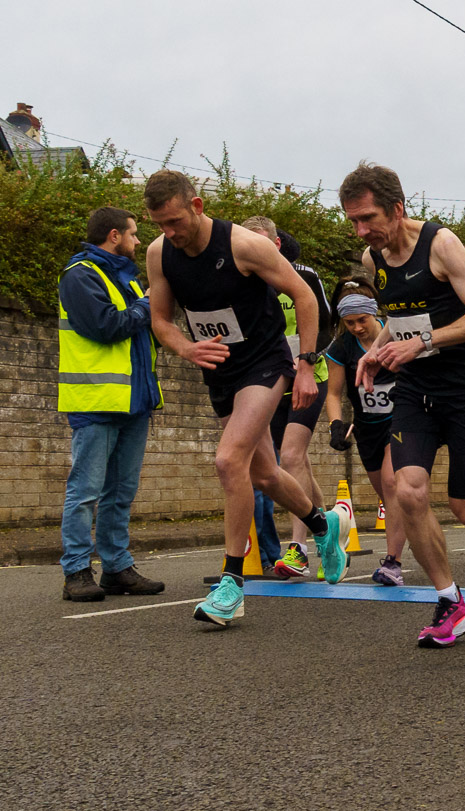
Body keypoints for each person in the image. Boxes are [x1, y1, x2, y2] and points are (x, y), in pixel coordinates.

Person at [340, 162, 465, 648]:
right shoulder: (374, 261)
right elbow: (401, 320)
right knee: (407, 489)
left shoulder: (441, 244)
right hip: (414, 387)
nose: (361, 231)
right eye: (353, 221)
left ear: (398, 208)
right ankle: (450, 601)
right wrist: (377, 351)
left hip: (463, 386)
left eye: (368, 218)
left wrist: (424, 343)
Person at [144, 170, 351, 626]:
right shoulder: (159, 254)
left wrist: (305, 365)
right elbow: (160, 319)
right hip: (220, 368)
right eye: (161, 224)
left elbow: (304, 297)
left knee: (227, 460)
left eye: (177, 221)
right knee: (263, 473)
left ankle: (231, 584)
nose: (171, 233)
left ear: (197, 207)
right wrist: (186, 347)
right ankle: (324, 525)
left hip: (264, 361)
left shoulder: (243, 245)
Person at [57, 206, 165, 602]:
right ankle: (76, 572)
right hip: (97, 401)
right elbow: (105, 326)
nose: (138, 242)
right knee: (85, 491)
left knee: (121, 491)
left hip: (135, 401)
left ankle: (117, 567)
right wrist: (148, 305)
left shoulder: (127, 279)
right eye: (134, 234)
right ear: (115, 236)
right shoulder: (80, 275)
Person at [239, 216, 335, 578]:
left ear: (275, 244)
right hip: (271, 383)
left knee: (291, 455)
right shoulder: (243, 284)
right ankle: (327, 529)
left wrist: (305, 363)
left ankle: (298, 549)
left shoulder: (303, 275)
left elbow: (328, 326)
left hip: (311, 376)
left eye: (260, 240)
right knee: (295, 466)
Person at [324, 280, 408, 585]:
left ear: (375, 313)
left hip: (401, 420)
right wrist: (336, 425)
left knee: (391, 481)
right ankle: (413, 524)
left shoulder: (396, 334)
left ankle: (392, 563)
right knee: (388, 494)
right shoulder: (341, 347)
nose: (357, 327)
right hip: (367, 429)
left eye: (363, 320)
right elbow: (333, 394)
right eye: (350, 322)